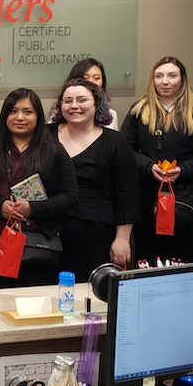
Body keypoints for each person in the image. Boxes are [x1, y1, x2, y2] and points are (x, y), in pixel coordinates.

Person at [0, 88, 78, 288]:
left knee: (35, 309)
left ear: (38, 116)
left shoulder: (53, 150)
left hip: (38, 246)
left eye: (27, 112)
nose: (20, 117)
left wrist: (33, 209)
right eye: (13, 111)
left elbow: (70, 196)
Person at [121, 56, 193, 263]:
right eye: (159, 76)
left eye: (171, 76)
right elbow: (125, 151)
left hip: (188, 197)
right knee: (148, 257)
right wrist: (148, 167)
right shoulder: (139, 111)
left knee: (183, 256)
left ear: (182, 80)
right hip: (148, 196)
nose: (165, 81)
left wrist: (184, 170)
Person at [49, 78, 138, 281]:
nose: (74, 106)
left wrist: (122, 240)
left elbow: (127, 195)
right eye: (67, 100)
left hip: (96, 239)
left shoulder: (115, 142)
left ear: (97, 104)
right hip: (47, 238)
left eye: (82, 100)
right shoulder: (45, 136)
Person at [62, 57, 119, 130]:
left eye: (96, 78)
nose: (91, 82)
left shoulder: (111, 114)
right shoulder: (63, 112)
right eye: (85, 78)